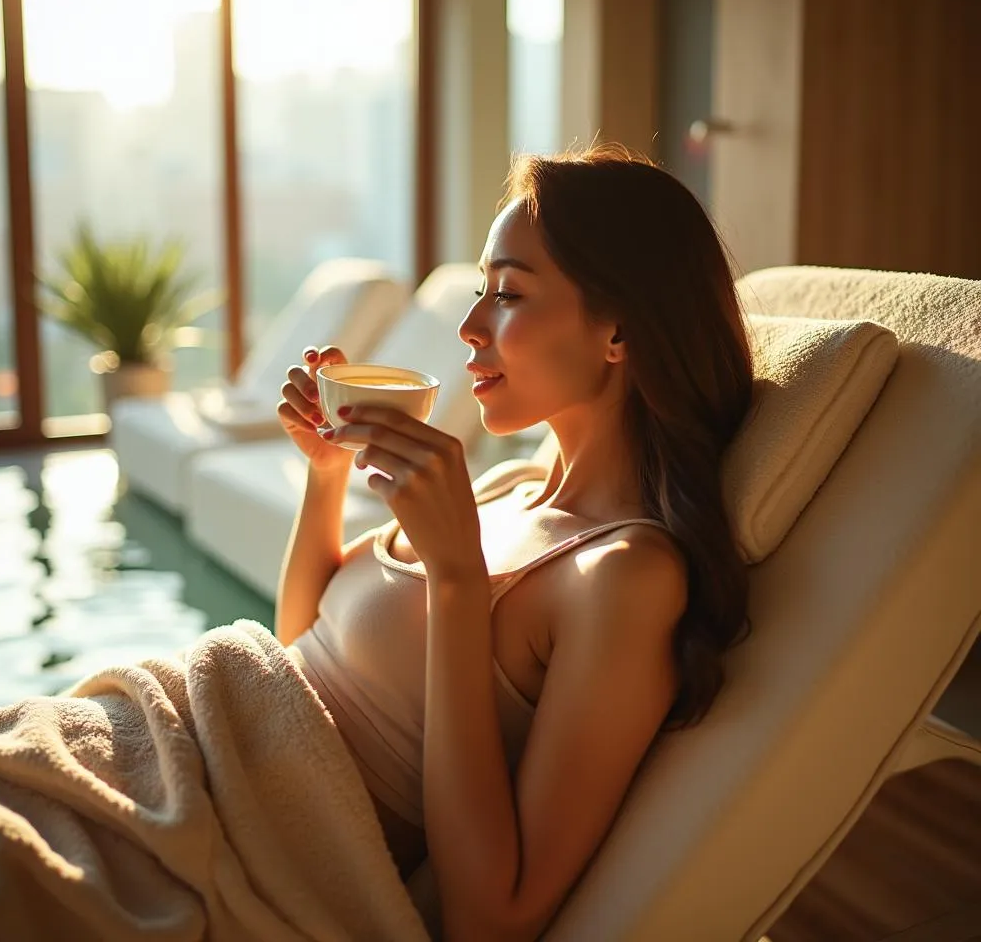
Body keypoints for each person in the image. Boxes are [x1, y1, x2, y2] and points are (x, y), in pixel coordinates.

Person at [275, 144, 754, 942]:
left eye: (507, 294)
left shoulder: (626, 575)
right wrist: (326, 476)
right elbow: (297, 656)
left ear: (620, 330)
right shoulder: (503, 491)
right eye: (480, 292)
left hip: (234, 847)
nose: (468, 329)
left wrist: (461, 581)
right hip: (188, 738)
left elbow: (491, 917)